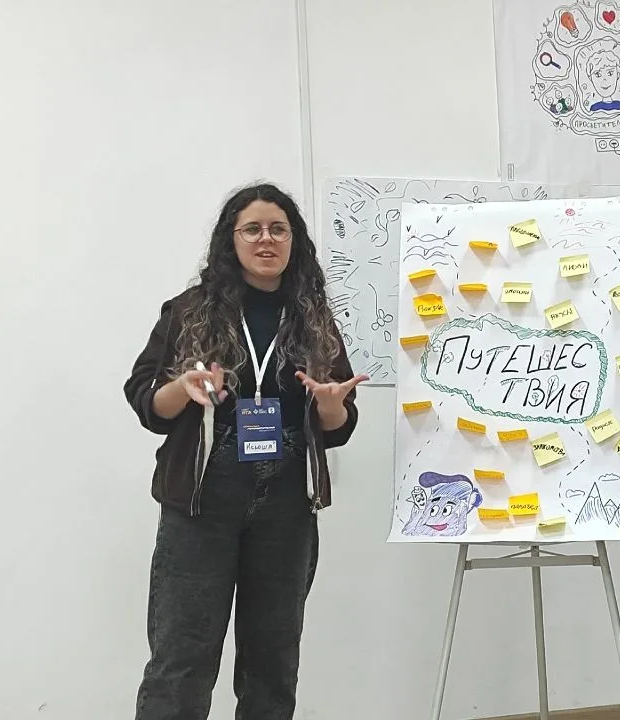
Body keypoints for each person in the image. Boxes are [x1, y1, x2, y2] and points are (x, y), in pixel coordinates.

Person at [123, 183, 368, 719]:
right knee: (183, 655)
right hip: (203, 495)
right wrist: (180, 388)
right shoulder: (188, 311)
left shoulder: (313, 318)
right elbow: (145, 401)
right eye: (252, 229)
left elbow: (339, 424)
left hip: (286, 498)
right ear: (230, 240)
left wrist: (331, 407)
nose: (265, 239)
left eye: (278, 229)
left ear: (293, 241)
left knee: (272, 659)